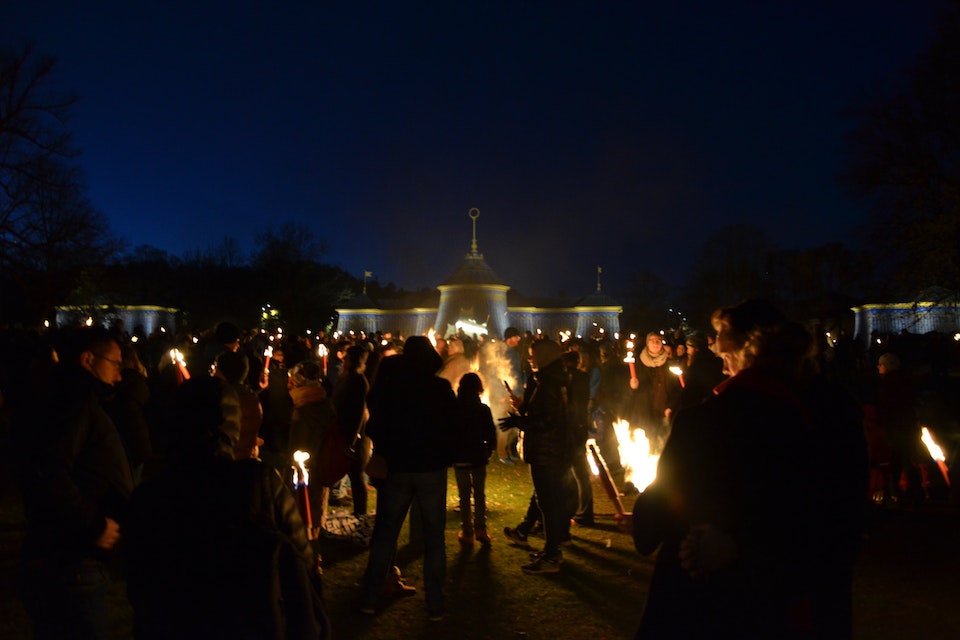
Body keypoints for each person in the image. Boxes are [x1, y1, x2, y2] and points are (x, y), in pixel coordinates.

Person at [629, 300, 866, 638]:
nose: (713, 346)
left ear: (749, 345)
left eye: (720, 335)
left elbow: (656, 516)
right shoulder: (835, 408)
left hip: (716, 601)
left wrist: (739, 547)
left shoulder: (709, 421)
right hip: (804, 602)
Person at [124, 376, 327, 640]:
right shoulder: (257, 483)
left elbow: (138, 585)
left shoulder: (148, 495)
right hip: (247, 623)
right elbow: (301, 560)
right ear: (233, 424)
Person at [18, 327, 134, 640]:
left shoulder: (66, 396)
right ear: (88, 359)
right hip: (73, 560)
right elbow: (49, 468)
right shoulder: (74, 401)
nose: (119, 376)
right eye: (115, 364)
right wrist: (93, 525)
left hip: (67, 557)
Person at [359, 336, 457, 621]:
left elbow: (375, 426)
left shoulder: (391, 390)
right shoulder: (440, 389)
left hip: (398, 468)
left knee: (386, 536)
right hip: (430, 470)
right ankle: (435, 604)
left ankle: (369, 597)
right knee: (434, 539)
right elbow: (450, 426)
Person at [501, 339, 576, 574]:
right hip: (548, 450)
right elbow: (542, 413)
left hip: (547, 451)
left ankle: (552, 555)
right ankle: (550, 549)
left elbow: (547, 421)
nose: (530, 359)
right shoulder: (546, 380)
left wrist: (519, 421)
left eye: (533, 355)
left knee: (548, 504)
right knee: (546, 501)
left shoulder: (549, 384)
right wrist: (522, 407)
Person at [287, 360, 338, 533]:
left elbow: (298, 443)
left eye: (291, 381)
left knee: (305, 504)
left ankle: (308, 543)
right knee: (316, 505)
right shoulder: (324, 402)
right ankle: (314, 537)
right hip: (322, 463)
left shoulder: (302, 411)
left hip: (307, 466)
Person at [452, 372, 497, 546]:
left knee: (464, 495)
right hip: (478, 455)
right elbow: (490, 433)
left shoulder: (454, 408)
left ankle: (468, 531)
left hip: (460, 455)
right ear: (478, 388)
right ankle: (480, 529)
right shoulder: (483, 409)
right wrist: (489, 450)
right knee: (479, 493)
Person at [332, 344, 371, 516]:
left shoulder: (357, 381)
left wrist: (352, 441)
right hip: (342, 431)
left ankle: (360, 513)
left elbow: (358, 412)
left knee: (356, 476)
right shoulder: (346, 378)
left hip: (354, 435)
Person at [627, 332, 681, 453]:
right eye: (652, 340)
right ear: (647, 343)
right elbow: (629, 390)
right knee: (645, 447)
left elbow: (677, 389)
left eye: (658, 340)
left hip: (663, 412)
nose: (656, 343)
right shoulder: (638, 363)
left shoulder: (669, 363)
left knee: (663, 446)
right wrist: (632, 386)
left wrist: (671, 406)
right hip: (644, 412)